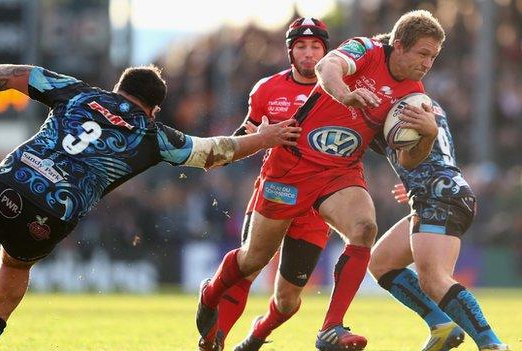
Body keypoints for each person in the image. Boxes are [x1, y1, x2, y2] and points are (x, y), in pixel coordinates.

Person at [0, 64, 301, 351]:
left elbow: (19, 73)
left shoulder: (78, 92)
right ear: (154, 109)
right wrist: (266, 137)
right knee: (16, 264)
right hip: (57, 211)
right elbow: (214, 152)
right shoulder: (153, 135)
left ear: (117, 88)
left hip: (12, 181)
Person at [196, 10, 445, 351]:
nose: (428, 63)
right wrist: (345, 95)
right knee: (253, 259)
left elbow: (407, 157)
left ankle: (331, 327)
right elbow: (327, 69)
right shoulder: (365, 50)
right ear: (399, 46)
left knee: (363, 229)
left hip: (339, 172)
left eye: (433, 56)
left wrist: (428, 136)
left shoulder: (414, 94)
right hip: (292, 169)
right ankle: (211, 294)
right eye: (423, 54)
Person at [213, 18, 366, 351]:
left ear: (326, 52)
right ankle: (214, 341)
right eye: (301, 47)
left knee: (286, 299)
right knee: (248, 266)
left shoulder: (344, 89)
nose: (309, 54)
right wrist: (250, 141)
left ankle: (256, 336)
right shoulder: (266, 89)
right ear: (290, 51)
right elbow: (245, 135)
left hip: (317, 206)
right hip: (276, 189)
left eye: (315, 47)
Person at [368, 98, 511, 350]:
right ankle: (442, 325)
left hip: (436, 195)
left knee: (434, 279)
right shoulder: (424, 101)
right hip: (438, 191)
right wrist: (414, 181)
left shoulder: (401, 103)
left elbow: (408, 158)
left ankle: (492, 344)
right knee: (382, 262)